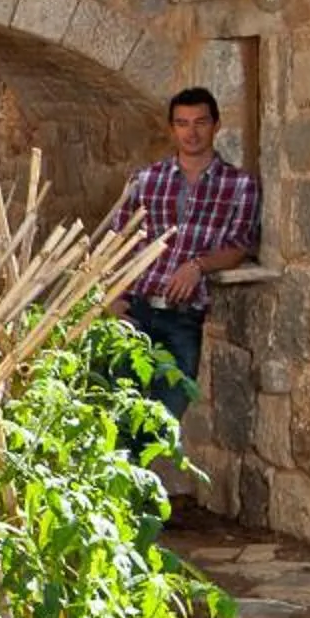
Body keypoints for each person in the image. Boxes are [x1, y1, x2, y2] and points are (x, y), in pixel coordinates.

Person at [102, 86, 262, 417]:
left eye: (200, 122)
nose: (192, 132)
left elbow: (239, 245)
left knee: (165, 420)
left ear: (216, 125)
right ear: (172, 129)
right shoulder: (146, 179)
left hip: (183, 320)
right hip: (135, 311)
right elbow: (118, 241)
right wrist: (112, 298)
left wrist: (198, 266)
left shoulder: (240, 184)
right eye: (183, 123)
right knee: (117, 418)